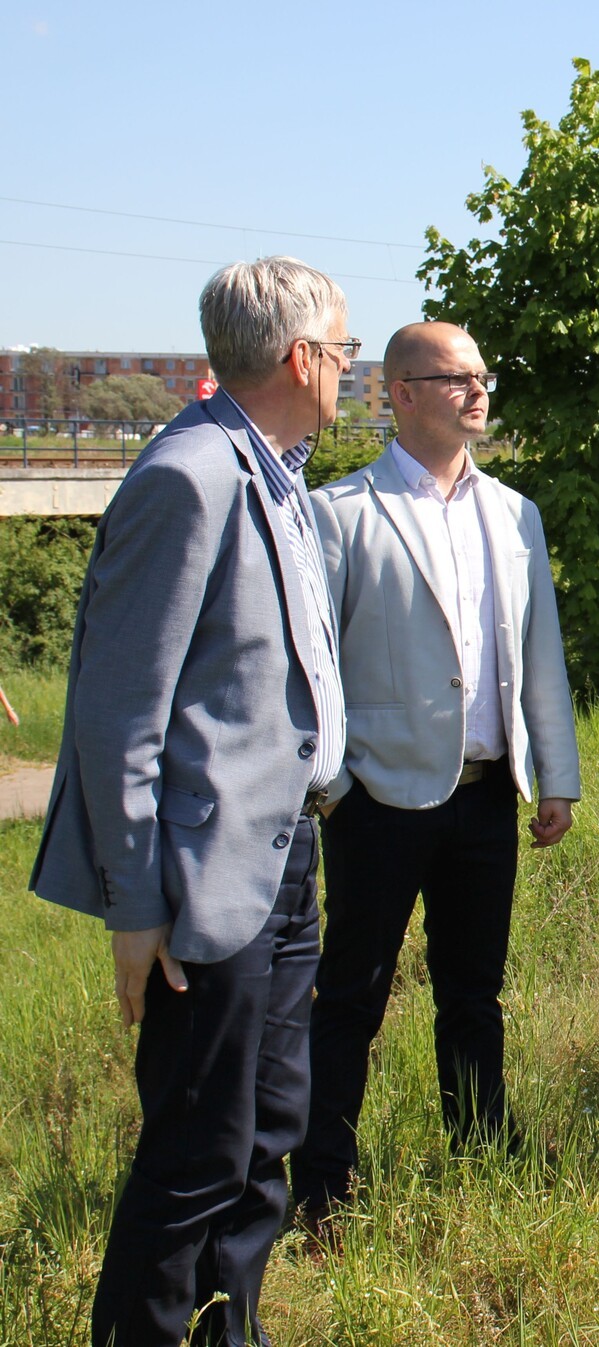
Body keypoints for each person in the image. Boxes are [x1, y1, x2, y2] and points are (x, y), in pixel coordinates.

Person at [31, 256, 352, 1347]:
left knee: (265, 1139)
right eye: (345, 350)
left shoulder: (276, 472)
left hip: (286, 856)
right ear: (303, 358)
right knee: (195, 1153)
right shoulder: (190, 475)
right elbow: (118, 714)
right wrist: (135, 905)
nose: (347, 368)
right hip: (206, 880)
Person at [290, 322, 581, 1226]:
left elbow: (539, 653)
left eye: (481, 375)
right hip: (378, 800)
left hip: (487, 795)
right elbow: (313, 666)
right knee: (351, 997)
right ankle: (323, 1185)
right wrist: (334, 788)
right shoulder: (339, 513)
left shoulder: (515, 513)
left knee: (473, 993)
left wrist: (555, 774)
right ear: (402, 392)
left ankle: (484, 1152)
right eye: (456, 377)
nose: (477, 389)